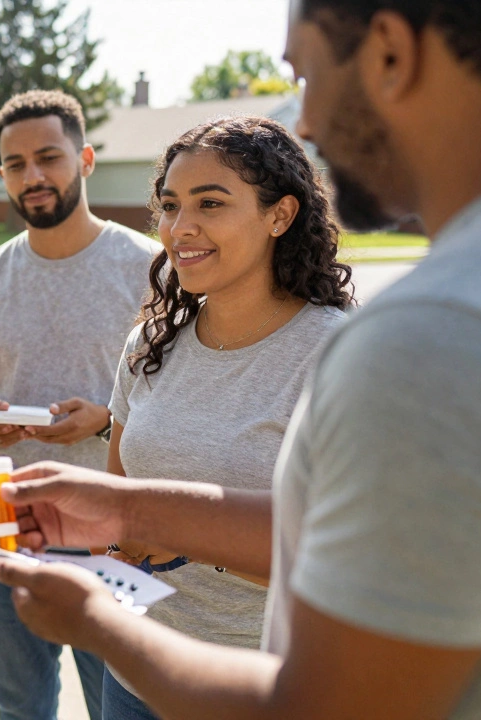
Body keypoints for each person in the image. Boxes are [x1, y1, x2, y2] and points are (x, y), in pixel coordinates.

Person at [0, 1, 481, 718]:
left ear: (389, 53)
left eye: (306, 75)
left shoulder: (421, 339)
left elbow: (329, 705)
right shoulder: (156, 342)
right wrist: (122, 512)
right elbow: (337, 531)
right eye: (169, 205)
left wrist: (95, 622)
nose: (308, 122)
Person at [97, 115, 350, 720]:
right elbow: (119, 503)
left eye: (211, 203)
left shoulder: (338, 357)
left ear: (279, 216)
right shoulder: (149, 344)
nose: (181, 228)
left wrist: (175, 530)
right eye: (170, 205)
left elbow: (345, 567)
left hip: (264, 689)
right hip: (136, 672)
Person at [0, 89, 158, 720]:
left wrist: (105, 420)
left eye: (48, 157)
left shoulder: (150, 268)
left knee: (115, 705)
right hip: (9, 533)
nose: (32, 177)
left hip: (112, 538)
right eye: (15, 164)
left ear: (86, 159)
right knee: (21, 709)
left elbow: (179, 403)